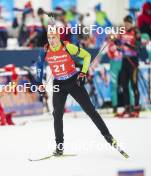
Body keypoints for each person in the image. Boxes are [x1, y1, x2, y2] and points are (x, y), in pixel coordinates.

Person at [36, 27, 118, 156]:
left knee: (90, 110)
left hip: (73, 81)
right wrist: (39, 83)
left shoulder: (68, 47)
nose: (51, 41)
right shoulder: (45, 50)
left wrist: (83, 73)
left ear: (59, 37)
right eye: (49, 38)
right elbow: (39, 65)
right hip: (58, 84)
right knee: (57, 114)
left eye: (54, 38)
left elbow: (87, 55)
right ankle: (59, 146)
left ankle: (108, 137)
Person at [115, 15, 141, 118]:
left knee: (134, 85)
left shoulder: (136, 32)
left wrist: (125, 44)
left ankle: (137, 108)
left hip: (133, 62)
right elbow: (118, 46)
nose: (126, 25)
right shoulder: (122, 32)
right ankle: (127, 108)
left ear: (132, 23)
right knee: (124, 85)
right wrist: (116, 42)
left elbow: (138, 48)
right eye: (125, 23)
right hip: (125, 60)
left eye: (128, 23)